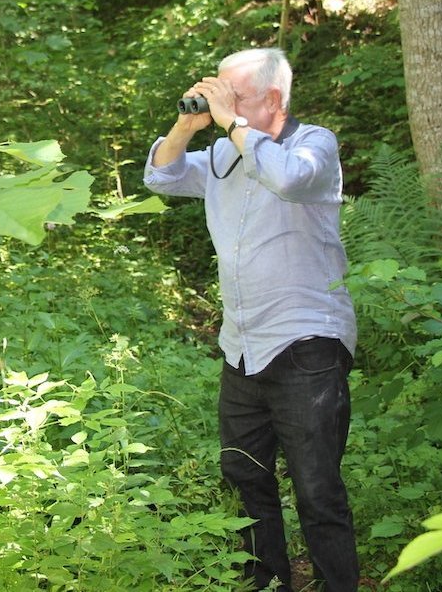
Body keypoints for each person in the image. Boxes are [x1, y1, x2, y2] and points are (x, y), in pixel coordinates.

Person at [143, 48, 359, 591]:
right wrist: (187, 124)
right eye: (220, 92)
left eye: (234, 95)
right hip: (242, 345)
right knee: (245, 477)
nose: (224, 105)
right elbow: (162, 178)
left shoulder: (314, 144)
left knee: (317, 488)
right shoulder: (224, 153)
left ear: (273, 99)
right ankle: (267, 584)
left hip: (307, 340)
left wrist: (232, 124)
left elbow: (287, 179)